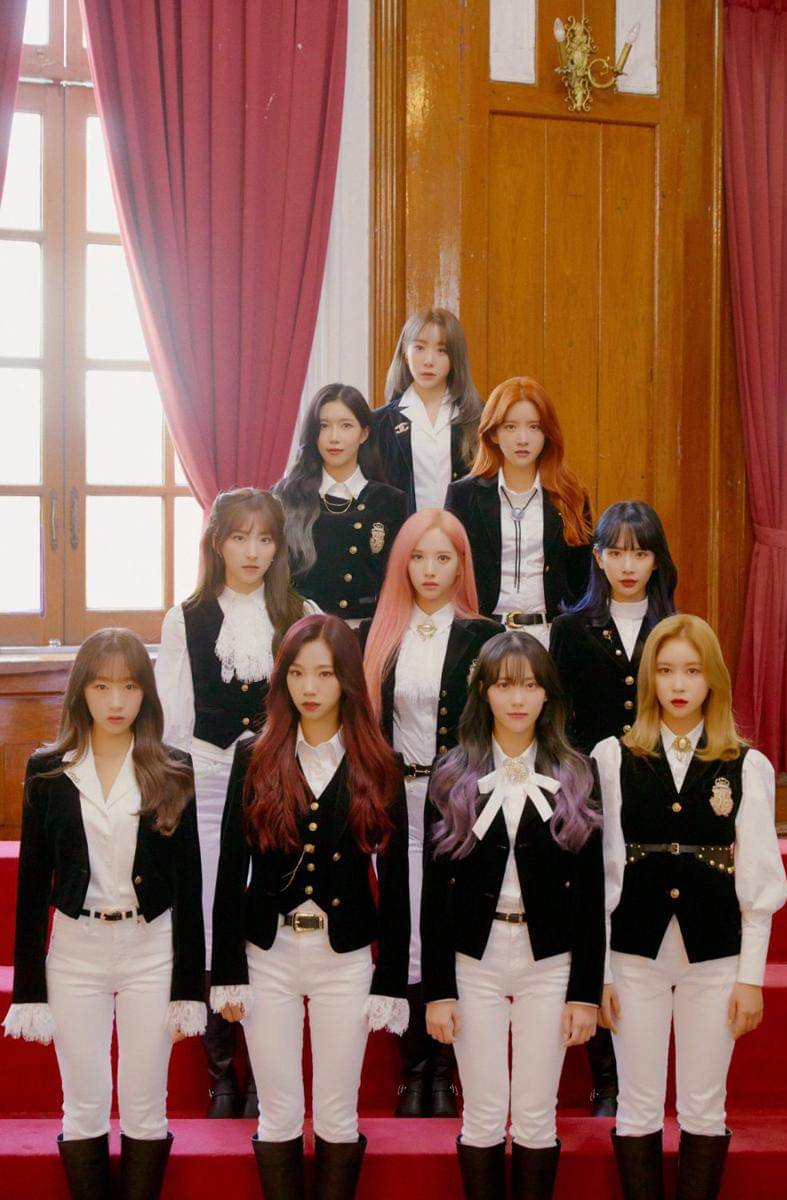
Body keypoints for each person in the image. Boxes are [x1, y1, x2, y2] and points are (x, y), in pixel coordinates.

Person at [209, 614, 410, 1200]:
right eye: (297, 673)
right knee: (277, 1112)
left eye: (324, 673)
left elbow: (396, 881)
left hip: (345, 956)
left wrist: (390, 980)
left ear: (347, 680)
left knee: (337, 1113)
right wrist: (227, 972)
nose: (310, 688)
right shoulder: (254, 756)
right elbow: (229, 871)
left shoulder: (380, 763)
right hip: (267, 953)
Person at [3, 628, 205, 1200]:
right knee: (84, 1101)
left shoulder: (173, 766)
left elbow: (189, 887)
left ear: (146, 693)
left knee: (145, 1102)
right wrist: (29, 990)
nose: (116, 701)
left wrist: (189, 987)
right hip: (76, 950)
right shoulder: (48, 769)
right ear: (80, 692)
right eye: (101, 686)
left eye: (129, 686)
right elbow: (31, 886)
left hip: (150, 948)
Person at [592, 614, 787, 1200]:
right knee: (638, 1102)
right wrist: (601, 972)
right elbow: (604, 874)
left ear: (713, 681)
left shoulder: (746, 764)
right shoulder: (613, 758)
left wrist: (750, 977)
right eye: (666, 670)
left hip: (714, 958)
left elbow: (758, 880)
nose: (678, 684)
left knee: (704, 1103)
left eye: (693, 671)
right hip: (634, 956)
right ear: (649, 678)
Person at [423, 632, 605, 1200]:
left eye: (530, 685)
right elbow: (434, 892)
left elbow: (591, 893)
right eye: (504, 685)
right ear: (484, 692)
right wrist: (438, 991)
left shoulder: (576, 772)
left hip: (548, 959)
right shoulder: (451, 773)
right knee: (481, 1112)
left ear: (548, 694)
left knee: (535, 1113)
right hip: (473, 959)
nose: (518, 699)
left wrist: (585, 993)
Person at [156, 486, 314, 1118]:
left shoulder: (300, 611)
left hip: (280, 781)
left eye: (265, 538)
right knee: (209, 916)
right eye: (240, 537)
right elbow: (172, 724)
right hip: (209, 776)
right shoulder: (186, 617)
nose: (253, 551)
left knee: (264, 918)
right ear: (216, 542)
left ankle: (264, 1072)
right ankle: (222, 1075)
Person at [360, 508, 503, 1117]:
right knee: (405, 924)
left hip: (459, 803)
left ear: (462, 565)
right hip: (398, 801)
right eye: (418, 557)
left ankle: (443, 1070)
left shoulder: (483, 636)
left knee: (448, 921)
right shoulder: (379, 633)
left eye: (443, 558)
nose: (429, 570)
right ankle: (412, 1069)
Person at [550, 499, 678, 1115]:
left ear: (657, 560)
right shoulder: (570, 629)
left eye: (641, 552)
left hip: (659, 795)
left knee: (639, 922)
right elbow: (557, 718)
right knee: (593, 917)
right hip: (589, 793)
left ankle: (640, 1070)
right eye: (617, 551)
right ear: (597, 557)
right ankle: (604, 1074)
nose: (628, 565)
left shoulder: (675, 626)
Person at [445, 376, 592, 645]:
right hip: (483, 637)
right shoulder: (464, 496)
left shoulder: (571, 495)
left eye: (534, 427)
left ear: (548, 433)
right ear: (493, 433)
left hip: (551, 637)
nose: (523, 439)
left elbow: (583, 580)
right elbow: (451, 577)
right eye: (510, 427)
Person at [274, 384, 409, 622]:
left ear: (364, 433)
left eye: (346, 426)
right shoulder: (285, 496)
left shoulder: (390, 501)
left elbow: (397, 583)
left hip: (366, 631)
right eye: (324, 426)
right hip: (299, 629)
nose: (334, 437)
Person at [374, 307, 482, 510]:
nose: (429, 361)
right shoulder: (379, 422)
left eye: (442, 350)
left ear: (455, 357)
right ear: (405, 351)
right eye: (419, 348)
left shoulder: (479, 417)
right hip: (402, 530)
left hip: (463, 530)